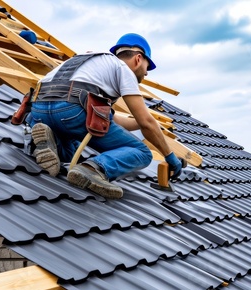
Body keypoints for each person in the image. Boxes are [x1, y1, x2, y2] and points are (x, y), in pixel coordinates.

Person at [29, 33, 182, 199]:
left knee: (71, 151)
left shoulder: (87, 60)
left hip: (39, 112)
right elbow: (146, 122)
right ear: (138, 59)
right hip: (72, 111)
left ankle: (50, 140)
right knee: (142, 152)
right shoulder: (123, 69)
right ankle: (92, 169)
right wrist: (170, 156)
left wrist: (143, 123)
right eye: (147, 67)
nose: (146, 74)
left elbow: (113, 120)